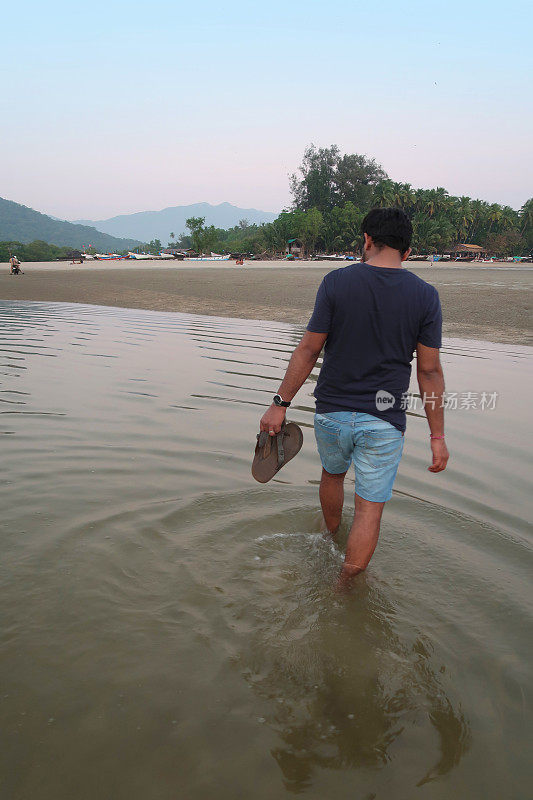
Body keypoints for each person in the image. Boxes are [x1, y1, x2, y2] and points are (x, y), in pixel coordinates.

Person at [259, 207, 449, 590]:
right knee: (369, 508)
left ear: (366, 240)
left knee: (332, 475)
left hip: (331, 413)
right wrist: (437, 436)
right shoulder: (425, 296)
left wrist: (279, 403)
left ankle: (329, 538)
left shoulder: (336, 282)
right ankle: (344, 585)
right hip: (384, 421)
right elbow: (428, 371)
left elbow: (308, 350)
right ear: (408, 250)